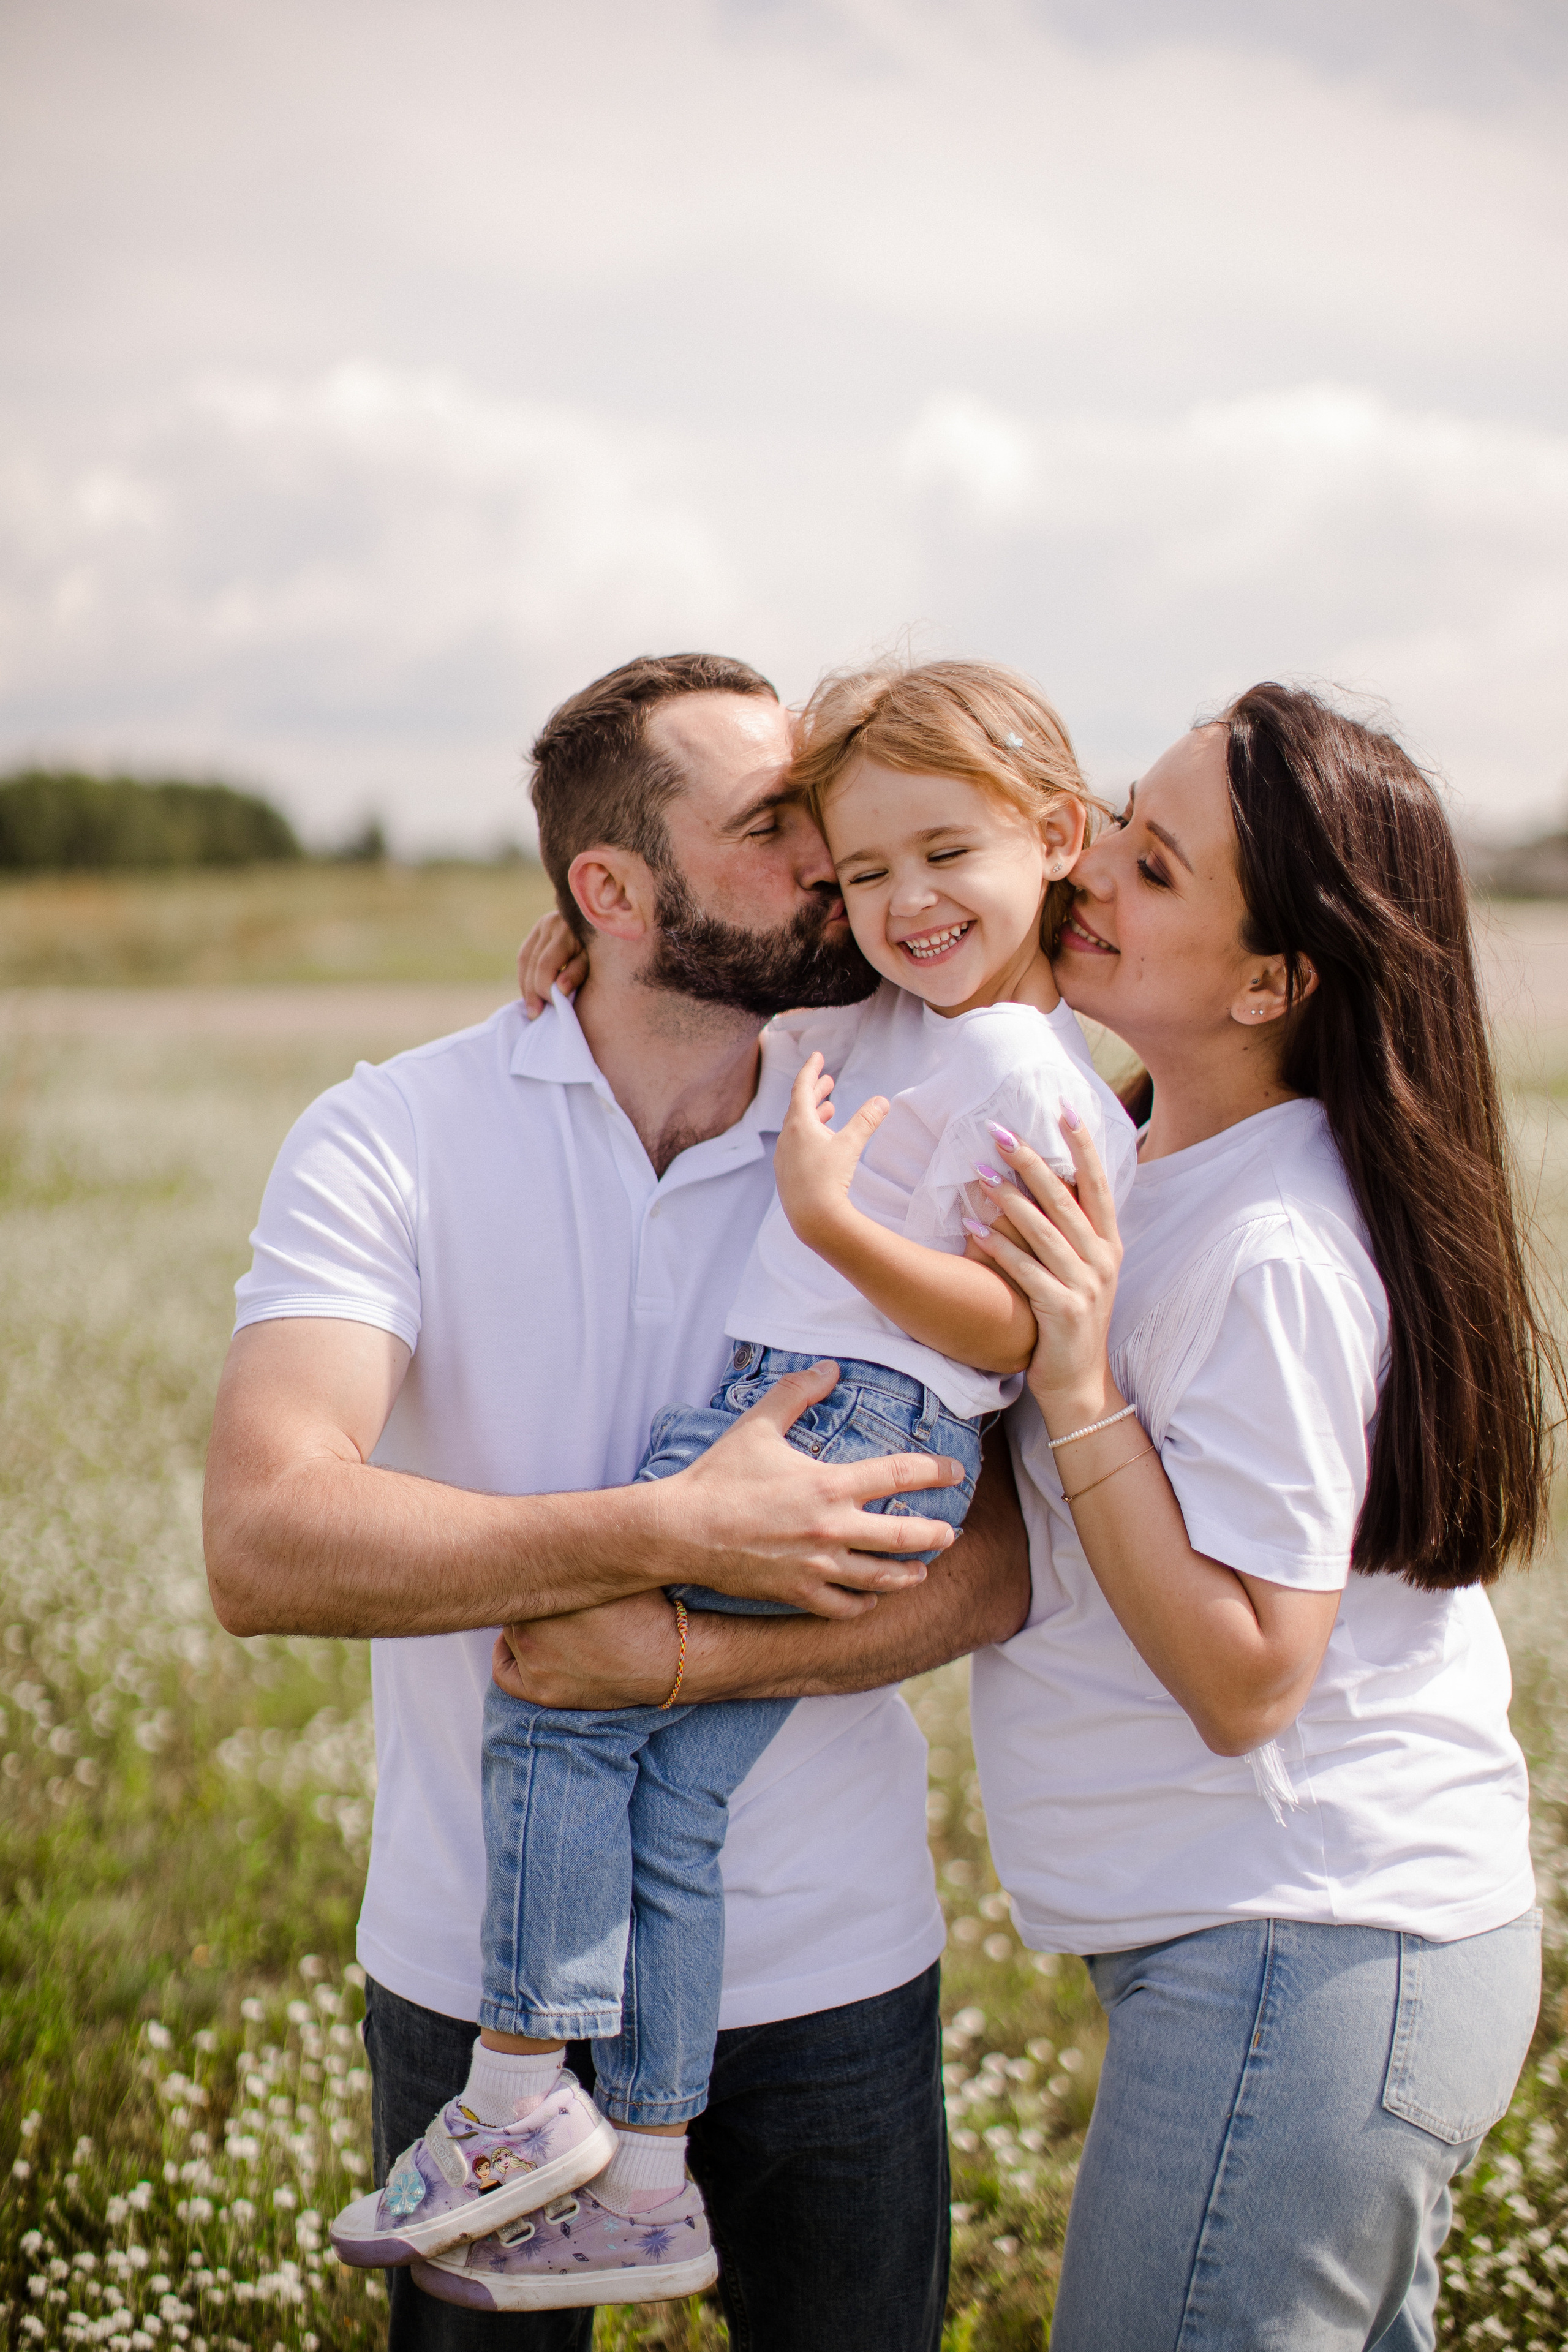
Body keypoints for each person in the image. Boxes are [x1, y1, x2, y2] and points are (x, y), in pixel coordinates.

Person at [203, 650, 1031, 2352]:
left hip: (828, 1968)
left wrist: (675, 1660)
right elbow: (265, 1536)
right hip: (478, 1967)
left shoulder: (920, 1104)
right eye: (773, 826)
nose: (829, 859)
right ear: (609, 891)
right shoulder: (394, 1135)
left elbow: (1006, 1565)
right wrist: (667, 1534)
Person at [962, 684, 1555, 2350]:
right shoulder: (1157, 1148)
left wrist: (1081, 1390)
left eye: (1151, 867)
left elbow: (1248, 1683)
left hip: (1308, 1957)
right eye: (1112, 822)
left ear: (1272, 981)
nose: (1086, 878)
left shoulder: (1272, 1249)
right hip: (1309, 1956)